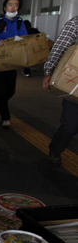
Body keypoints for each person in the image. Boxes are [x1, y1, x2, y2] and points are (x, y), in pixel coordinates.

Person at [42, 16, 78, 167]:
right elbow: (60, 47)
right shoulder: (76, 23)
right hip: (74, 84)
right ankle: (56, 149)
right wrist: (50, 71)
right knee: (71, 126)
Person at [0, 0, 28, 128]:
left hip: (12, 59)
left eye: (16, 5)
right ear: (5, 7)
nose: (13, 7)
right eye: (10, 4)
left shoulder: (20, 22)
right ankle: (6, 117)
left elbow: (24, 38)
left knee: (10, 89)